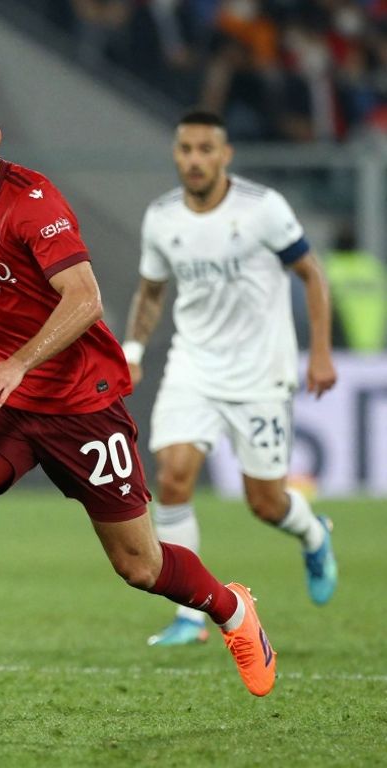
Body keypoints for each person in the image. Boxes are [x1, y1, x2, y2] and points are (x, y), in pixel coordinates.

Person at [0, 81, 278, 720]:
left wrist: (19, 362)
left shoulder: (33, 202)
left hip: (81, 403)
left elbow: (85, 299)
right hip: (5, 402)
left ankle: (232, 608)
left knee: (139, 564)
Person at [123, 109, 338, 647]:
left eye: (205, 150)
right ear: (176, 155)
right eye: (186, 150)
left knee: (265, 503)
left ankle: (314, 533)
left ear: (225, 155)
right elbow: (151, 291)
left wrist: (320, 353)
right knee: (171, 476)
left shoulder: (263, 209)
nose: (194, 160)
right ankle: (191, 616)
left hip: (260, 372)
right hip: (192, 365)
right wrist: (132, 349)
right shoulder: (162, 217)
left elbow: (312, 274)